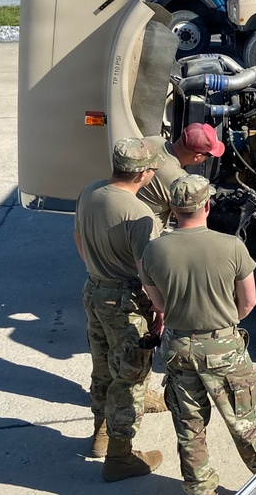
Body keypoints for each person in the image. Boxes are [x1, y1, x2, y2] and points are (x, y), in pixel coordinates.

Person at [140, 175, 256, 495]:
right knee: (247, 424)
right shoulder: (232, 246)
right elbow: (249, 301)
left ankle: (199, 487)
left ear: (173, 209)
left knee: (189, 426)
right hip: (223, 347)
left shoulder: (154, 250)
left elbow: (158, 303)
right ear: (207, 205)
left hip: (178, 348)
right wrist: (225, 323)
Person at [74, 137, 165, 481]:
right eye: (153, 168)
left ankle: (100, 435)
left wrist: (98, 271)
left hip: (94, 290)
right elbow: (150, 271)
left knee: (102, 369)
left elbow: (79, 237)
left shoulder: (90, 192)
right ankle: (120, 457)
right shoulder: (139, 214)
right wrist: (160, 311)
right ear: (142, 173)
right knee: (130, 379)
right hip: (126, 302)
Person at [139, 123, 226, 228]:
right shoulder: (179, 182)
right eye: (209, 155)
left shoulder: (154, 140)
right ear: (197, 157)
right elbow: (191, 219)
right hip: (144, 233)